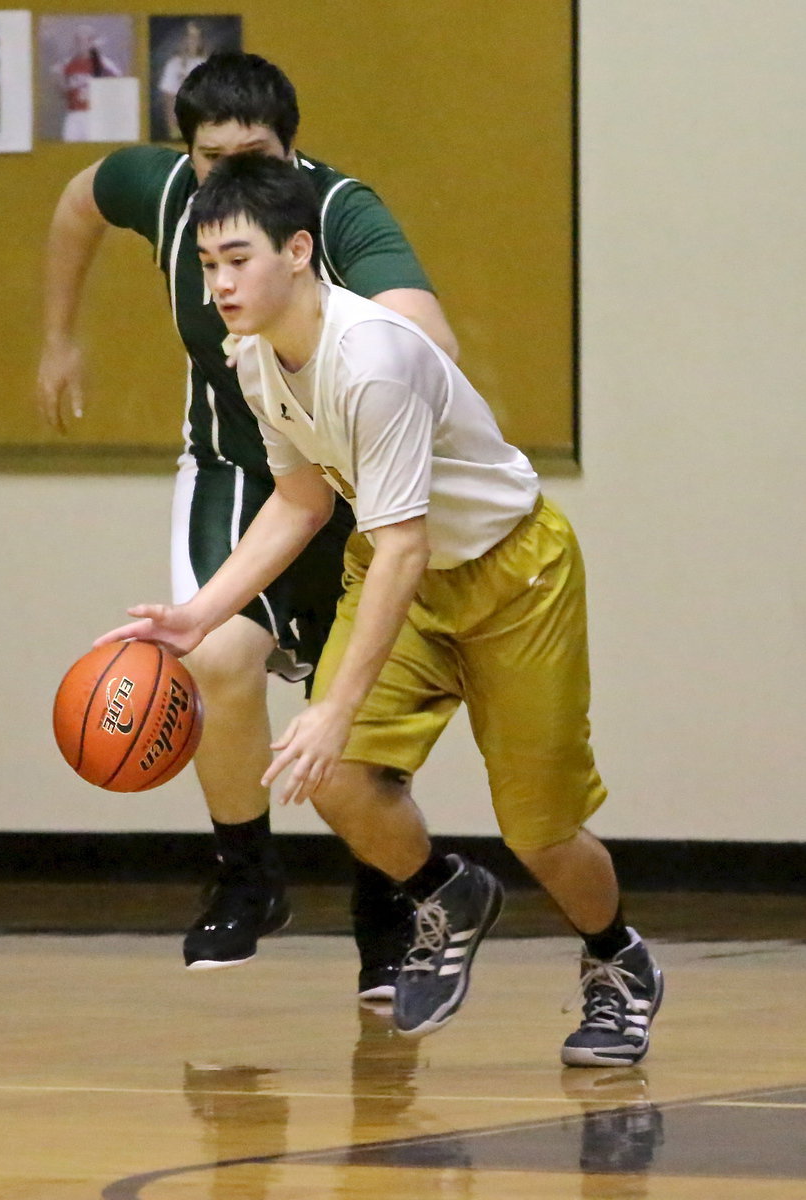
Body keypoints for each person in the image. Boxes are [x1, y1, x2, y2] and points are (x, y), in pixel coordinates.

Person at [94, 153, 664, 1065]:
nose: (221, 283)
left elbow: (404, 543)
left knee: (539, 828)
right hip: (401, 569)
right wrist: (201, 614)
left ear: (299, 251)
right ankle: (446, 892)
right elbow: (302, 502)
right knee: (334, 776)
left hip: (514, 575)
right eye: (205, 266)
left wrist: (332, 703)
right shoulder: (254, 360)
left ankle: (617, 961)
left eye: (237, 259)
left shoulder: (374, 362)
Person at [37, 53, 458, 1001]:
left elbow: (428, 335)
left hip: (351, 483)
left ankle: (384, 904)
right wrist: (60, 334)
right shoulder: (168, 193)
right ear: (187, 155)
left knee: (351, 715)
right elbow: (77, 201)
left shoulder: (337, 210)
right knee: (212, 659)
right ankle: (246, 870)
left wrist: (353, 349)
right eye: (209, 158)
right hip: (236, 470)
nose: (228, 180)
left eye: (251, 157)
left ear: (291, 154)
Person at [52, 24, 121, 144]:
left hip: (94, 115)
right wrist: (60, 80)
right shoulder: (67, 64)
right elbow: (62, 93)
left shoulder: (104, 63)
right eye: (78, 40)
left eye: (86, 39)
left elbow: (119, 87)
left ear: (92, 41)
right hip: (73, 115)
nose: (82, 43)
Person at [156, 20, 206, 141]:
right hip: (179, 127)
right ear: (183, 40)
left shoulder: (207, 64)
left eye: (196, 37)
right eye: (190, 37)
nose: (193, 41)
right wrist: (172, 126)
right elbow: (168, 97)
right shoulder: (173, 64)